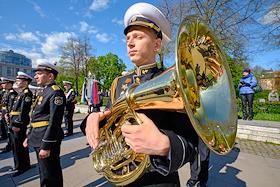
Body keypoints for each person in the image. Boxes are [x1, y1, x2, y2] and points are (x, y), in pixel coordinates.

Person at [80, 2, 198, 186]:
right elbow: (111, 122)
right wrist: (93, 118)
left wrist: (165, 145)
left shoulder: (174, 80)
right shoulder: (118, 83)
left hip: (158, 180)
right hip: (122, 174)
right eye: (127, 38)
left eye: (138, 36)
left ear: (157, 44)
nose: (130, 42)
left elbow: (191, 144)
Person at [23, 61, 65, 186]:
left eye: (39, 74)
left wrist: (46, 145)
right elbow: (35, 117)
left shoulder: (55, 92)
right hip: (38, 136)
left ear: (50, 76)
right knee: (44, 172)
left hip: (46, 139)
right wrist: (29, 136)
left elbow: (55, 121)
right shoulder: (44, 91)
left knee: (50, 175)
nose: (35, 77)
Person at [9, 72, 33, 176]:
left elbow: (23, 111)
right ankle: (22, 164)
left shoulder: (27, 93)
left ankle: (21, 166)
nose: (17, 82)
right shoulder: (21, 92)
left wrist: (18, 124)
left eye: (19, 80)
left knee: (18, 146)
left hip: (18, 123)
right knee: (16, 145)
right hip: (14, 121)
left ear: (25, 82)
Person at [0, 77, 17, 154]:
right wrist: (2, 113)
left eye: (4, 83)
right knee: (7, 132)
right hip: (4, 114)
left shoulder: (13, 94)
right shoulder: (6, 93)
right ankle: (9, 144)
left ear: (10, 84)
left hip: (9, 116)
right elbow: (4, 105)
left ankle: (10, 145)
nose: (2, 85)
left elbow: (12, 107)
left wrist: (7, 115)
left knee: (10, 132)